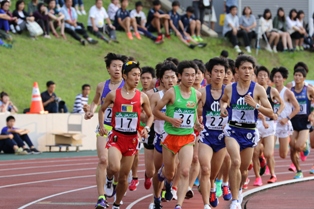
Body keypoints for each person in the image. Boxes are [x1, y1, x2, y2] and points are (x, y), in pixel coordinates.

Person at [220, 55, 273, 209]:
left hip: (249, 131)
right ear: (237, 70)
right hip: (233, 129)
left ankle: (239, 188)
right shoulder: (230, 88)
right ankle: (235, 199)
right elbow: (224, 100)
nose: (247, 71)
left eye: (250, 68)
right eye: (243, 68)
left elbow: (271, 112)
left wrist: (256, 105)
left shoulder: (258, 89)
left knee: (243, 169)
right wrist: (223, 107)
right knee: (235, 161)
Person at [98, 61, 153, 209]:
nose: (137, 79)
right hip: (117, 137)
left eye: (139, 75)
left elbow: (150, 115)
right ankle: (109, 179)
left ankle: (116, 204)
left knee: (123, 177)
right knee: (114, 167)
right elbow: (102, 110)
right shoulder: (113, 95)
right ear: (124, 75)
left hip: (131, 140)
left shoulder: (142, 97)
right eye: (134, 75)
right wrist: (102, 126)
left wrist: (147, 128)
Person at [153, 60, 203, 209]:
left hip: (187, 138)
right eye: (187, 75)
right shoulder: (171, 92)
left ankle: (179, 205)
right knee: (170, 174)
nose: (190, 78)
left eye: (193, 75)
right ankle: (163, 174)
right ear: (180, 76)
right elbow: (156, 111)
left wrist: (196, 125)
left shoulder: (197, 94)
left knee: (185, 171)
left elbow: (192, 112)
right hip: (170, 137)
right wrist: (170, 119)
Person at [84, 52, 127, 209]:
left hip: (122, 130)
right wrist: (90, 111)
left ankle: (113, 180)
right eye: (114, 66)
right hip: (104, 127)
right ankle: (101, 197)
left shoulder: (128, 86)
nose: (117, 69)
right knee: (103, 160)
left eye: (120, 66)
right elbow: (95, 102)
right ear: (108, 68)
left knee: (117, 167)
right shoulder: (102, 86)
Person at [197, 57, 230, 209]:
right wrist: (197, 122)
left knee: (213, 174)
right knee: (205, 169)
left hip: (222, 138)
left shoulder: (230, 92)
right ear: (209, 74)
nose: (218, 75)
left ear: (225, 74)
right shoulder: (202, 92)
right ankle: (205, 204)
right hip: (206, 136)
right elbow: (194, 113)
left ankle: (212, 188)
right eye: (215, 71)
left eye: (221, 72)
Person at [149, 61, 177, 209]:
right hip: (160, 137)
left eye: (173, 77)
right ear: (161, 79)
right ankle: (156, 198)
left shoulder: (182, 95)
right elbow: (151, 115)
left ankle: (169, 181)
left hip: (177, 137)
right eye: (167, 77)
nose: (170, 80)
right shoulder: (155, 96)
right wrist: (167, 118)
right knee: (157, 170)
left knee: (174, 168)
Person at [252, 66, 285, 186]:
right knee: (254, 153)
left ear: (268, 78)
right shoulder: (253, 89)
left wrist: (277, 114)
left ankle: (273, 174)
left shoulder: (272, 91)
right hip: (255, 124)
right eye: (260, 75)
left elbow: (282, 104)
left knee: (268, 153)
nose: (262, 77)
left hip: (269, 125)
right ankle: (257, 177)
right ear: (256, 77)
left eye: (265, 75)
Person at [270, 67, 299, 161]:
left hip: (284, 124)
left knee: (283, 155)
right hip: (273, 123)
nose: (276, 79)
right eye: (275, 77)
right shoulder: (271, 91)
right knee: (269, 151)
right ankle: (269, 169)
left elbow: (297, 108)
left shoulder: (288, 92)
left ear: (284, 79)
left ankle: (296, 143)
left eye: (279, 77)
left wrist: (287, 118)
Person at [290, 68, 314, 179]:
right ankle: (299, 171)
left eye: (300, 75)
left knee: (299, 146)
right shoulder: (290, 89)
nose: (297, 77)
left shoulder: (308, 89)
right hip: (293, 121)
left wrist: (312, 114)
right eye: (296, 75)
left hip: (305, 122)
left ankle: (305, 147)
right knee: (292, 147)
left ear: (303, 77)